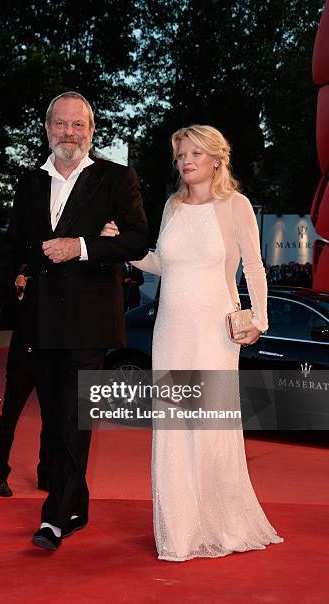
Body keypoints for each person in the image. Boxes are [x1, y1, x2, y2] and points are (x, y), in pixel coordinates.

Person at [0, 91, 149, 550]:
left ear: (91, 130)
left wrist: (83, 246)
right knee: (56, 421)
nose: (69, 133)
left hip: (89, 321)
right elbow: (12, 247)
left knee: (73, 419)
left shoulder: (115, 178)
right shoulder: (31, 182)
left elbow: (136, 240)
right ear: (47, 127)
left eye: (78, 125)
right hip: (39, 321)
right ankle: (77, 506)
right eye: (60, 124)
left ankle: (55, 517)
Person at [103, 124, 283, 561]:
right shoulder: (172, 207)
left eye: (194, 154)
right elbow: (163, 264)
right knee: (173, 426)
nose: (185, 162)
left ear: (216, 160)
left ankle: (223, 525)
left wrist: (259, 319)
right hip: (171, 329)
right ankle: (179, 532)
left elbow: (255, 269)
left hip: (213, 331)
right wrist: (123, 246)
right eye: (180, 155)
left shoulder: (235, 206)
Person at [0, 271, 49, 497]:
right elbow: (7, 318)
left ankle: (46, 474)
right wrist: (19, 293)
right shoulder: (21, 282)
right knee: (9, 417)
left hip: (48, 361)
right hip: (22, 361)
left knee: (51, 422)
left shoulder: (59, 281)